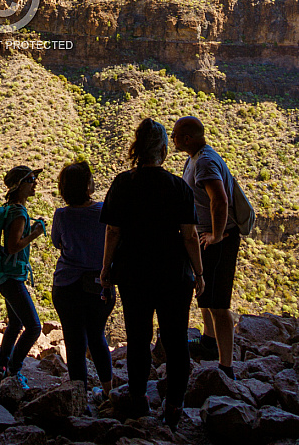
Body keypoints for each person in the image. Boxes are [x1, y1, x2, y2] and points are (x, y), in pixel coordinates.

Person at [100, 118, 204, 431]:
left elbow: (113, 232)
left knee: (138, 337)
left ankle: (139, 399)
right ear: (162, 149)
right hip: (174, 274)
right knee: (175, 341)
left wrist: (106, 269)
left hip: (133, 273)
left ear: (137, 148)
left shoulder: (122, 183)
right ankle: (174, 406)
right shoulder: (178, 187)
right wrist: (199, 273)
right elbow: (189, 236)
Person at [173, 116, 240, 380]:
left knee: (219, 302)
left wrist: (216, 235)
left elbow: (220, 199)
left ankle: (226, 367)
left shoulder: (204, 162)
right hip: (202, 236)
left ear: (187, 138)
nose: (174, 138)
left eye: (176, 134)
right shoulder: (196, 158)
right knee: (204, 292)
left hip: (218, 240)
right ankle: (209, 342)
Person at [51, 161, 115, 399]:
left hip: (66, 286)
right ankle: (109, 393)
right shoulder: (103, 211)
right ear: (88, 186)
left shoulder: (62, 215)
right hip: (99, 284)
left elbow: (57, 243)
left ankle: (80, 399)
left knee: (75, 342)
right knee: (98, 336)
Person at [0, 165, 46, 389]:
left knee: (15, 322)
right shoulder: (18, 213)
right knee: (34, 327)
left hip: (5, 276)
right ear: (20, 186)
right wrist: (34, 234)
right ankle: (14, 371)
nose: (35, 183)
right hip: (12, 278)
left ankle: (3, 366)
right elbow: (13, 246)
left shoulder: (11, 209)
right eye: (31, 179)